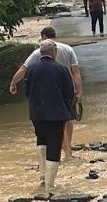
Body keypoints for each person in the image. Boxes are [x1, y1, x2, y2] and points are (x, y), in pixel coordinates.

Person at [9, 28, 83, 164]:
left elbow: (24, 69)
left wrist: (13, 83)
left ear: (43, 37)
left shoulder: (39, 51)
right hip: (67, 89)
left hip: (48, 92)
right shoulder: (68, 49)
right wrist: (79, 91)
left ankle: (62, 153)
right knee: (67, 120)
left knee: (56, 122)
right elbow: (76, 71)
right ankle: (67, 152)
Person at [22, 41, 75, 198]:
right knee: (54, 145)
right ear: (54, 52)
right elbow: (69, 93)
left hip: (36, 113)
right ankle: (50, 186)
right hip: (56, 114)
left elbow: (27, 92)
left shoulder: (31, 69)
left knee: (41, 140)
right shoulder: (61, 69)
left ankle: (43, 176)